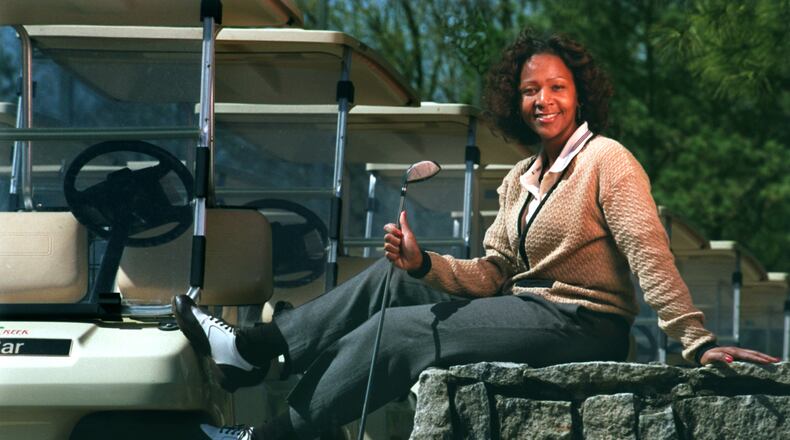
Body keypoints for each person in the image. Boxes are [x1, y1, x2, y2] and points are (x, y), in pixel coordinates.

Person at [174, 28, 779, 440]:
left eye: (556, 88)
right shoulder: (518, 179)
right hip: (523, 309)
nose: (543, 100)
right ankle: (254, 352)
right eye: (529, 90)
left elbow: (650, 253)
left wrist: (694, 341)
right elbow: (492, 274)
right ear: (515, 102)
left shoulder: (608, 161)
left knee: (406, 332)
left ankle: (271, 437)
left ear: (580, 94)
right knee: (391, 281)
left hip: (581, 325)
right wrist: (421, 265)